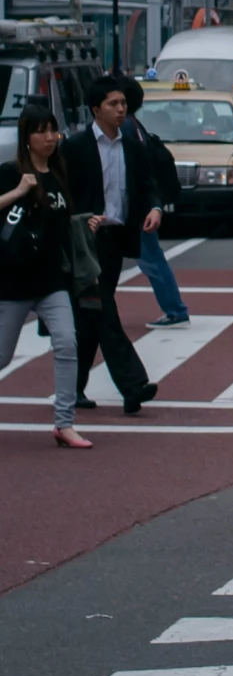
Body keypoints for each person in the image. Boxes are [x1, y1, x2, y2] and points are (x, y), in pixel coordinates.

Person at [0, 104, 94, 447]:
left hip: (52, 280)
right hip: (12, 281)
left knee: (68, 342)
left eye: (52, 129)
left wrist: (84, 224)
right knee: (2, 356)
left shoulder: (57, 174)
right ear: (27, 137)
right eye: (41, 130)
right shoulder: (11, 173)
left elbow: (59, 223)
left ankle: (64, 422)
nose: (50, 137)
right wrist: (17, 192)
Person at [63, 77, 158, 416]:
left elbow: (147, 187)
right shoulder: (75, 147)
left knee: (92, 316)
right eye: (114, 104)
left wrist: (155, 209)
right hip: (86, 243)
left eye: (123, 104)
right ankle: (133, 386)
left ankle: (72, 387)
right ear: (95, 109)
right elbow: (63, 194)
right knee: (102, 310)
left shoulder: (132, 147)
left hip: (117, 240)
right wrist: (79, 219)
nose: (122, 110)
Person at [113, 74, 188, 326]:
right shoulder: (134, 125)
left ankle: (176, 310)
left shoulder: (124, 129)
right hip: (140, 205)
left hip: (134, 207)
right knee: (151, 258)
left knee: (150, 260)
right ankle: (176, 309)